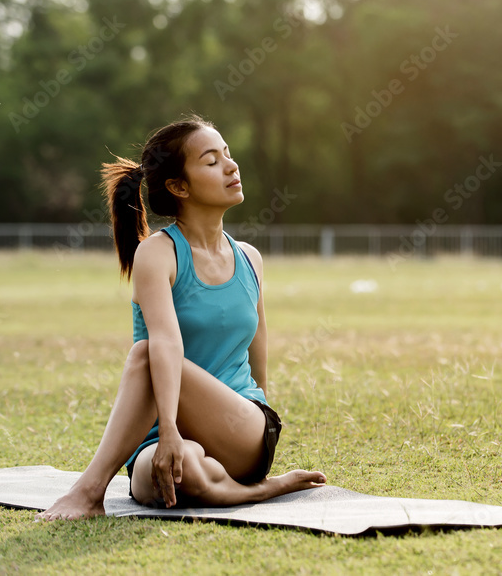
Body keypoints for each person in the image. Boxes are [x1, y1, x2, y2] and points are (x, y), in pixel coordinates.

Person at [35, 115, 326, 520]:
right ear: (178, 186)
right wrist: (169, 433)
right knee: (176, 474)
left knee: (143, 354)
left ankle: (88, 492)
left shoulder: (249, 259)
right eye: (211, 161)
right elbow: (169, 342)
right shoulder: (157, 253)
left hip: (239, 424)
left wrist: (247, 421)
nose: (231, 165)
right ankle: (259, 491)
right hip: (161, 434)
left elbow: (255, 365)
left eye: (228, 154)